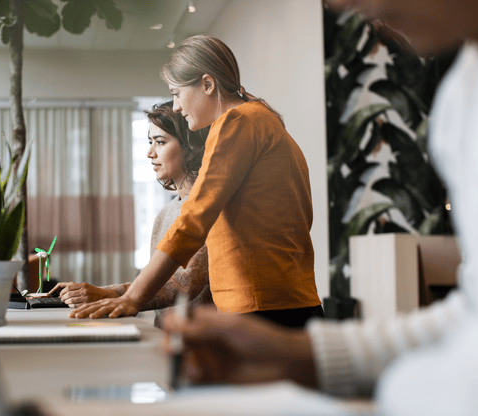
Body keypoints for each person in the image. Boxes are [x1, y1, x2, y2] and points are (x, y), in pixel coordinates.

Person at [164, 1, 478, 416]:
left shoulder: (241, 121)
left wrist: (387, 392)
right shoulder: (464, 102)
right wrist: (304, 356)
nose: (339, 5)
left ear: (206, 84)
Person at [70, 35, 323, 328]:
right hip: (291, 303)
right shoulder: (265, 120)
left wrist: (133, 298)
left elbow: (193, 221)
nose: (176, 106)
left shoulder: (236, 122)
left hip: (262, 310)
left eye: (177, 93)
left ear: (207, 84)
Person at [49, 102, 213, 327]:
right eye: (150, 142)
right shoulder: (165, 214)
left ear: (190, 147)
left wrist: (107, 294)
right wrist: (99, 293)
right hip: (166, 337)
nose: (150, 153)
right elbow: (156, 280)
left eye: (160, 142)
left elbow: (183, 283)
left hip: (201, 346)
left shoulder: (210, 206)